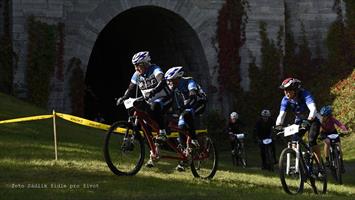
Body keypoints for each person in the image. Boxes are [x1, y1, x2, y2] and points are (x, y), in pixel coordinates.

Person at [116, 51, 172, 167]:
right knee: (144, 127)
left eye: (138, 65)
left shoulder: (154, 69)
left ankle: (162, 132)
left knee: (154, 106)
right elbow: (131, 88)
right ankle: (154, 153)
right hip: (149, 100)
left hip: (164, 98)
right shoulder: (137, 74)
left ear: (146, 64)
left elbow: (162, 81)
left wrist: (153, 91)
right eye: (134, 65)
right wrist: (124, 97)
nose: (136, 68)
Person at [164, 66, 207, 171]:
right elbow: (169, 99)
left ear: (178, 78)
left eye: (172, 81)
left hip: (199, 103)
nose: (170, 83)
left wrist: (184, 107)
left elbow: (192, 95)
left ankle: (194, 139)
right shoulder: (174, 87)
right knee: (181, 127)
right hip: (187, 106)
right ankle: (185, 154)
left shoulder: (189, 81)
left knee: (187, 114)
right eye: (168, 81)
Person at [275, 78, 322, 164]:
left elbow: (313, 109)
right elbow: (281, 114)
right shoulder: (285, 99)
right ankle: (301, 165)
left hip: (313, 119)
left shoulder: (305, 94)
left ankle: (320, 165)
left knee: (311, 141)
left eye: (289, 90)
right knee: (294, 141)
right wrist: (278, 125)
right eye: (285, 90)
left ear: (296, 90)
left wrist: (308, 120)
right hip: (299, 120)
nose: (286, 92)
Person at [319, 105, 348, 171]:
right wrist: (319, 135)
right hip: (324, 133)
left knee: (339, 147)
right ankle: (327, 160)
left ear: (329, 116)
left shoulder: (332, 119)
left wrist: (344, 129)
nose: (323, 117)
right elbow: (317, 128)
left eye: (325, 115)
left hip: (333, 132)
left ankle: (341, 163)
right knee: (327, 143)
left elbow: (339, 124)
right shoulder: (320, 120)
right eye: (322, 115)